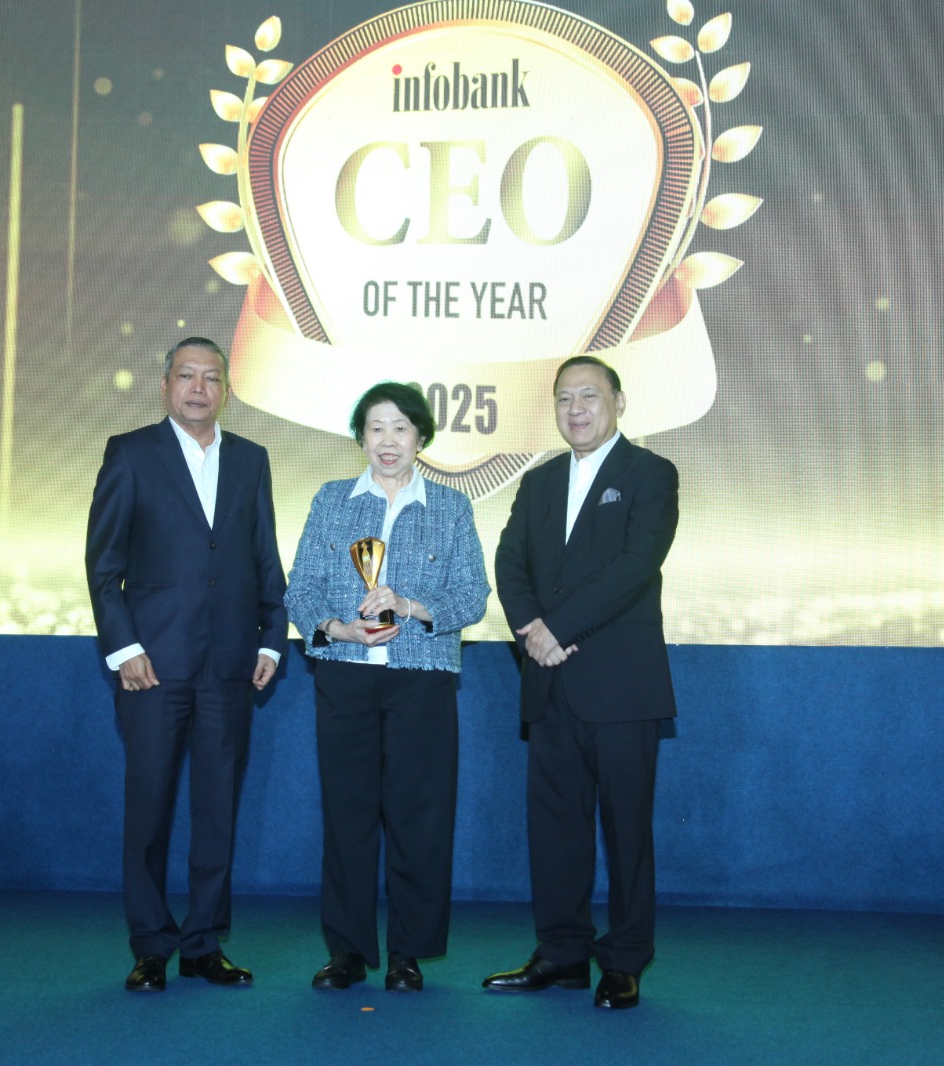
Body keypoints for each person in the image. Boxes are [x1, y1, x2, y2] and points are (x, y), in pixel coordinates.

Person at [85, 336, 288, 992]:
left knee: (217, 808)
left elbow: (263, 555)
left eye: (211, 378)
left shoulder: (251, 459)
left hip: (229, 663)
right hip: (152, 666)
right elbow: (104, 565)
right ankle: (150, 945)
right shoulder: (130, 453)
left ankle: (203, 943)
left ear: (226, 389)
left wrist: (271, 638)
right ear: (165, 385)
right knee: (148, 807)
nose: (199, 388)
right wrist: (125, 648)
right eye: (186, 376)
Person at [483, 355, 679, 1010]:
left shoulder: (651, 474)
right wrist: (529, 632)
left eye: (590, 396)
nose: (576, 409)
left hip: (621, 687)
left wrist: (555, 629)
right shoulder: (538, 482)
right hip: (549, 683)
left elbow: (635, 565)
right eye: (565, 398)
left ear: (618, 402)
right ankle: (562, 954)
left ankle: (624, 960)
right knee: (555, 829)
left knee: (627, 832)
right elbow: (510, 561)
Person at [284, 381, 490, 993]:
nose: (389, 440)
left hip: (421, 680)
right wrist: (337, 627)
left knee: (419, 818)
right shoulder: (332, 500)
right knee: (346, 817)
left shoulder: (451, 507)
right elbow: (301, 587)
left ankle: (408, 952)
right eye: (376, 427)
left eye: (401, 427)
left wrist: (411, 606)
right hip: (346, 675)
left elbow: (473, 595)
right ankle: (346, 951)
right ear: (361, 438)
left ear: (421, 436)